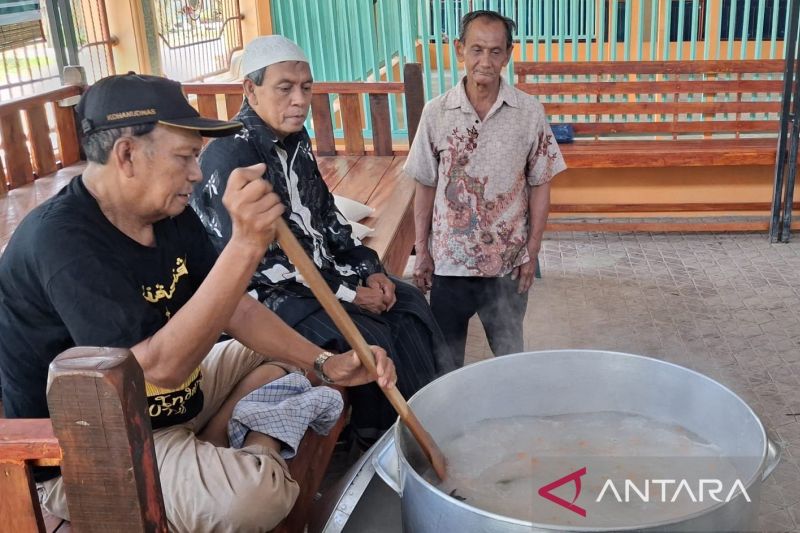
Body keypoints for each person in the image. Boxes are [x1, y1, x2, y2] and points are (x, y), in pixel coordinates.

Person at [0, 73, 396, 533]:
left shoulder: (167, 212)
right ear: (127, 154)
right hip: (94, 446)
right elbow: (156, 370)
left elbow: (238, 309)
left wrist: (328, 364)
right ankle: (254, 438)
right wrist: (246, 245)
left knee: (303, 344)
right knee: (259, 496)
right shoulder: (63, 242)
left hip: (171, 403)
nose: (197, 173)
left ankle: (215, 437)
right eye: (186, 157)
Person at [192, 35, 455, 447]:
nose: (299, 100)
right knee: (371, 338)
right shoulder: (230, 155)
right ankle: (380, 439)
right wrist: (350, 295)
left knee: (407, 302)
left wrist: (370, 272)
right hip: (273, 298)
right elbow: (261, 264)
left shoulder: (295, 141)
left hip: (319, 282)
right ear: (250, 89)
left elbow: (327, 218)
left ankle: (435, 416)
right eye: (284, 88)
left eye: (306, 88)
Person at [404, 10, 567, 366]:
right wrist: (423, 251)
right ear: (460, 50)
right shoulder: (436, 113)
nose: (486, 61)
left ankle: (510, 419)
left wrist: (532, 251)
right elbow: (426, 185)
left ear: (508, 54)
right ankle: (451, 422)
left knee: (509, 359)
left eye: (495, 51)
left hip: (506, 266)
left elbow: (541, 183)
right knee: (444, 364)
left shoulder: (528, 112)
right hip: (451, 265)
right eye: (476, 50)